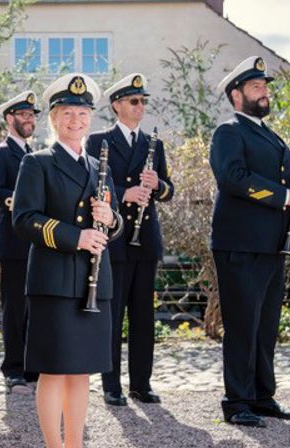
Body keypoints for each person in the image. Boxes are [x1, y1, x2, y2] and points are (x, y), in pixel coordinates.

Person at [12, 73, 123, 448]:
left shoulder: (99, 166)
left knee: (81, 372)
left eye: (82, 113)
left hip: (95, 281)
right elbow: (24, 219)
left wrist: (110, 219)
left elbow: (115, 221)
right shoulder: (38, 163)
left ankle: (74, 445)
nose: (76, 120)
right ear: (53, 119)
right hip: (55, 279)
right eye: (67, 113)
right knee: (55, 371)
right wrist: (76, 237)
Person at [210, 56, 290, 428]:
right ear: (237, 95)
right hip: (240, 243)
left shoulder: (269, 134)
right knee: (241, 326)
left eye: (265, 87)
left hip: (270, 243)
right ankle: (236, 402)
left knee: (265, 326)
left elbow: (275, 182)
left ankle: (262, 396)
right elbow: (233, 177)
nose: (264, 92)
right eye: (256, 87)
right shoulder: (229, 131)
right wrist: (282, 195)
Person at [86, 73, 174, 406]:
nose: (140, 107)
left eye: (142, 102)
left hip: (145, 239)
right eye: (134, 101)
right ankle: (112, 385)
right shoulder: (99, 141)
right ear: (117, 105)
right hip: (116, 237)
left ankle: (141, 383)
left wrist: (157, 185)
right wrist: (126, 193)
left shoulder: (155, 144)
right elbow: (93, 184)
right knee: (113, 313)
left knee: (143, 317)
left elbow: (168, 190)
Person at [0, 90, 41, 392]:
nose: (29, 119)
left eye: (32, 115)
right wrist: (17, 199)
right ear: (9, 118)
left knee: (35, 307)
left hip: (39, 242)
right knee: (15, 307)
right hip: (14, 242)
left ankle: (33, 367)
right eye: (23, 114)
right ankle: (13, 369)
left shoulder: (37, 153)